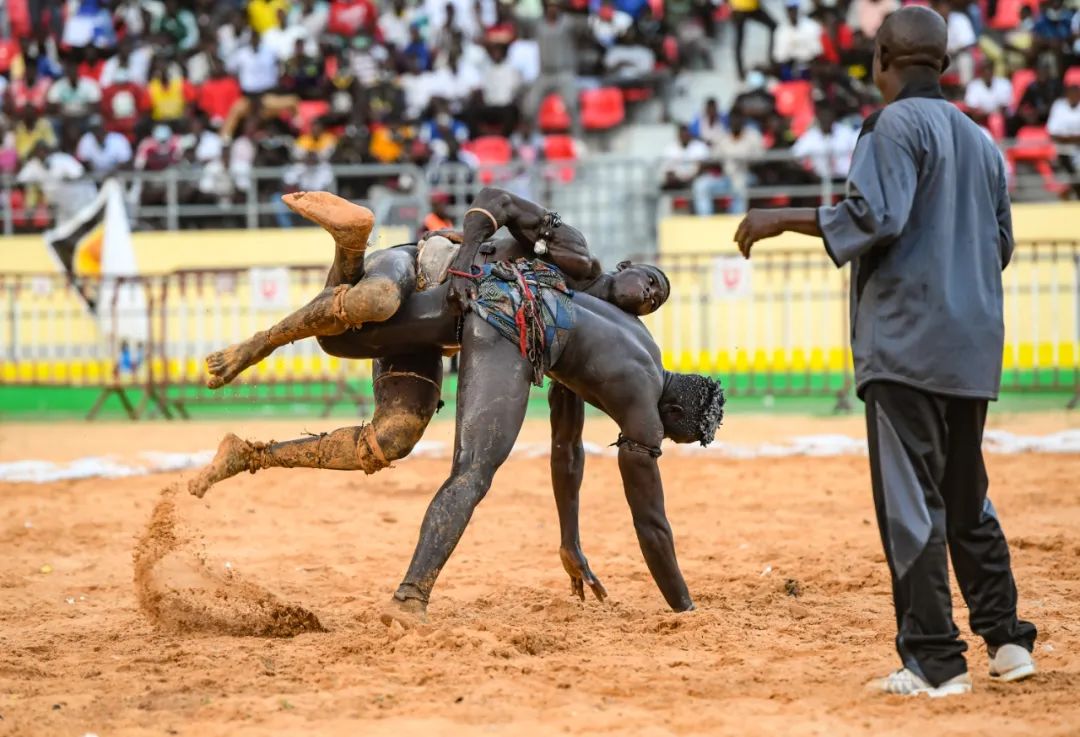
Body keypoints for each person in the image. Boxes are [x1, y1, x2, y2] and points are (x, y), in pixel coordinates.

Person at [189, 194, 713, 626]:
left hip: (470, 317)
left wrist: (569, 540)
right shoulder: (579, 263)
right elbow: (652, 522)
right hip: (450, 281)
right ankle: (410, 595)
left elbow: (566, 447)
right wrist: (685, 609)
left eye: (657, 298)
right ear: (673, 413)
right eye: (651, 282)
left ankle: (250, 455)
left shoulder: (616, 341)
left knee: (389, 433)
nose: (648, 297)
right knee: (467, 465)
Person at [734, 6, 1037, 697]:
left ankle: (935, 659)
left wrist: (779, 217)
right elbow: (1003, 246)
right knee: (968, 496)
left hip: (904, 344)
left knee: (912, 505)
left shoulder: (891, 125)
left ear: (883, 62)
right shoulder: (982, 141)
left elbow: (876, 215)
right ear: (947, 66)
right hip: (971, 346)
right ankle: (1008, 640)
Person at [692, 111, 765, 215]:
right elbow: (713, 156)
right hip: (726, 177)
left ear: (742, 122)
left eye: (738, 120)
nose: (735, 123)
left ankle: (736, 220)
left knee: (739, 185)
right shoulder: (723, 138)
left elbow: (761, 157)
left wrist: (745, 159)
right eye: (733, 121)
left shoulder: (752, 136)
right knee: (701, 185)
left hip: (747, 175)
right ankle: (705, 219)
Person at [1046, 74, 1080, 198]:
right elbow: (1053, 133)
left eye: (1076, 91)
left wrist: (1068, 138)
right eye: (1071, 91)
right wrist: (1073, 139)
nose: (1074, 94)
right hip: (1062, 149)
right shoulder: (1059, 106)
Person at [731, 0, 778, 80]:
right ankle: (740, 71)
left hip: (750, 6)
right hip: (739, 8)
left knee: (774, 26)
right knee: (739, 39)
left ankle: (772, 59)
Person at [660, 124, 710, 191]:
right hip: (677, 181)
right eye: (682, 135)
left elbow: (703, 167)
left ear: (690, 135)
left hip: (696, 180)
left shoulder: (700, 147)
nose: (684, 137)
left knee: (702, 184)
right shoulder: (670, 149)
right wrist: (679, 179)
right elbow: (668, 171)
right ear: (678, 135)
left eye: (686, 135)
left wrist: (690, 179)